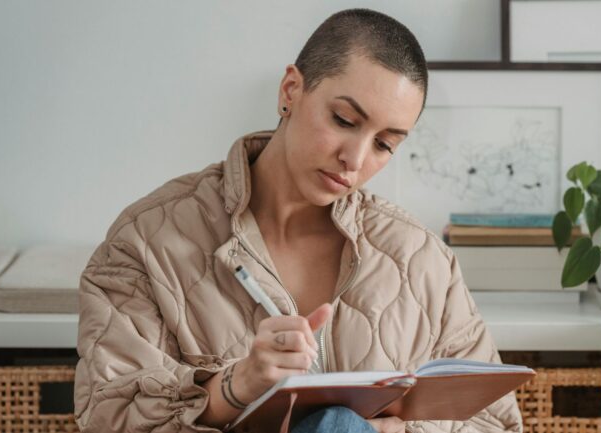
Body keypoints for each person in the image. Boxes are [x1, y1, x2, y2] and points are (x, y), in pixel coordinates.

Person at [73, 8, 522, 433]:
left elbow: (495, 421)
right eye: (344, 120)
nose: (355, 159)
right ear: (291, 90)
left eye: (385, 144)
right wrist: (234, 388)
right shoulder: (148, 240)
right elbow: (107, 413)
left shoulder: (422, 260)